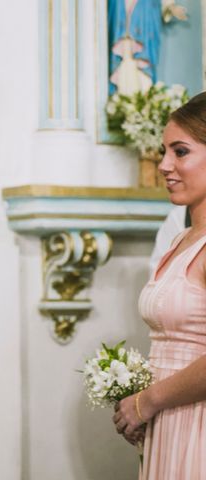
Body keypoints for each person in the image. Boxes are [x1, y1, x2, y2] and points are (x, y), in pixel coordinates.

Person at [113, 92, 206, 479]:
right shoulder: (179, 241)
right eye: (164, 151)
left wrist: (147, 401)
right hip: (170, 425)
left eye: (180, 151)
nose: (165, 165)